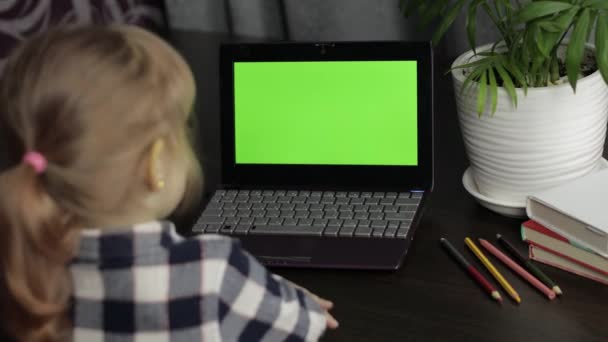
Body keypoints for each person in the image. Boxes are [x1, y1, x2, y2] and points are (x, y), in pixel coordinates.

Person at [0, 25, 337, 342]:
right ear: (155, 164)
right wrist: (292, 298)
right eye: (182, 128)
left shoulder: (21, 268)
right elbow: (304, 325)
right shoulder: (213, 271)